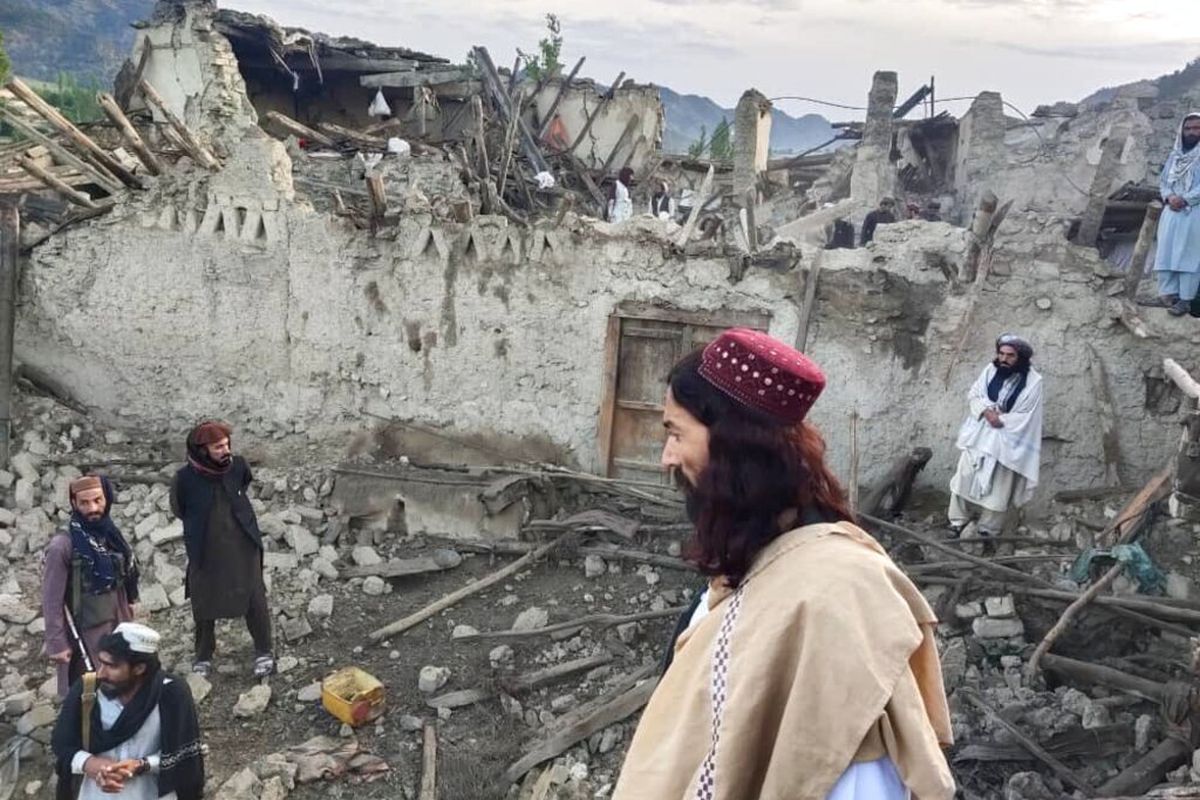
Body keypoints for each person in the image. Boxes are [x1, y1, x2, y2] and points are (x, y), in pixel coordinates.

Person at [613, 328, 955, 800]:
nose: (666, 458)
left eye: (676, 432)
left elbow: (850, 776)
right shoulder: (757, 564)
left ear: (734, 447)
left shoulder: (834, 596)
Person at [51, 622, 204, 800]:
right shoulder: (87, 690)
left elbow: (183, 756)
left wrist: (140, 765)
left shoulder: (171, 693)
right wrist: (91, 764)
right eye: (101, 663)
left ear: (139, 668)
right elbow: (62, 744)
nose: (101, 673)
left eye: (112, 666)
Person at [170, 421, 273, 678]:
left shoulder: (237, 466)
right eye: (218, 447)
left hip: (242, 544)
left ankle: (264, 651)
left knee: (254, 597)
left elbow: (244, 483)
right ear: (202, 450)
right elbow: (178, 508)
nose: (224, 450)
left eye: (227, 444)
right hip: (205, 548)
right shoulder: (184, 479)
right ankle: (204, 655)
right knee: (203, 600)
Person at [42, 475, 139, 698]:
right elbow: (51, 599)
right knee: (87, 691)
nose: (92, 508)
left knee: (122, 683)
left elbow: (125, 575)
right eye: (84, 503)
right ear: (74, 504)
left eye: (98, 500)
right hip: (84, 631)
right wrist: (56, 643)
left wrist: (130, 604)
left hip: (117, 621)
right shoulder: (63, 545)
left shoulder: (111, 535)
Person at [948, 334, 1044, 539]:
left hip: (1008, 441)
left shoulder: (1034, 382)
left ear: (1021, 358)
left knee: (1000, 488)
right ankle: (957, 521)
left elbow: (1027, 415)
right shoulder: (990, 370)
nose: (1004, 359)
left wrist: (1002, 420)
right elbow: (975, 394)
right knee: (963, 476)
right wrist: (986, 411)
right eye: (1001, 353)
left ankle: (987, 530)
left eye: (1010, 355)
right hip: (980, 435)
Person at [1153, 113, 1200, 316]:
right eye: (1188, 128)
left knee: (1188, 256)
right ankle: (1167, 296)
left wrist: (1186, 199)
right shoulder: (1174, 156)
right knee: (1167, 252)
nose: (1192, 132)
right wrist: (1170, 197)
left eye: (1197, 128)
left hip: (1194, 212)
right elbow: (1164, 182)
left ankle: (1185, 300)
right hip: (1171, 212)